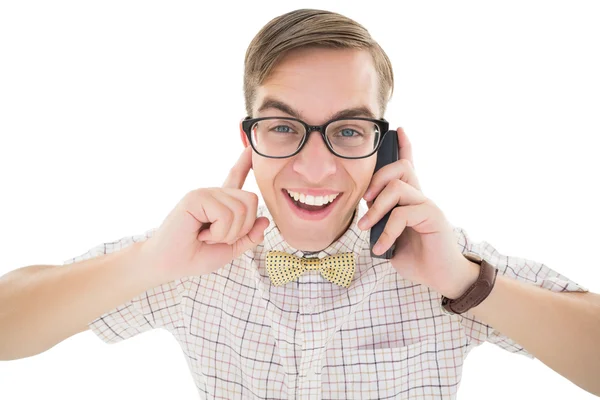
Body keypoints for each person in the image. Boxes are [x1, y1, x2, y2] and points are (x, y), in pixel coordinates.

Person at [1, 8, 599, 400]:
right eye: (284, 128)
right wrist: (148, 263)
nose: (315, 167)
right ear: (248, 140)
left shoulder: (447, 262)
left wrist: (467, 282)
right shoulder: (186, 259)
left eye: (348, 130)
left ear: (385, 146)